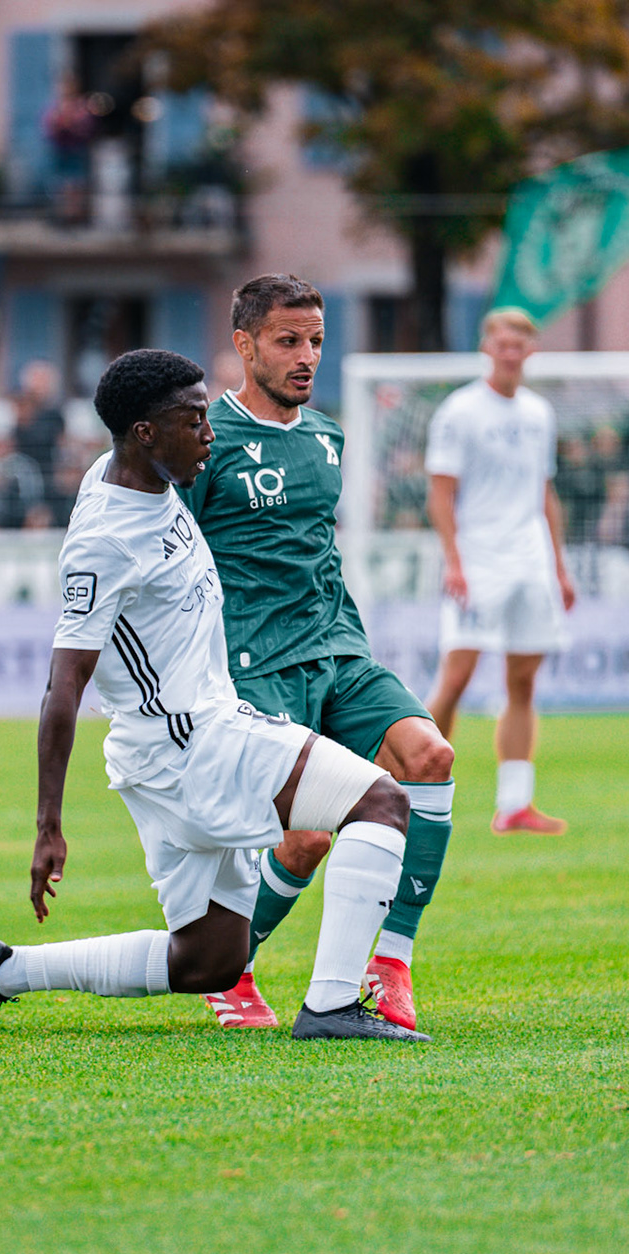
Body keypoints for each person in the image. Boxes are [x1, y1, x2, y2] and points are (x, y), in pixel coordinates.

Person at [0, 348, 428, 1043]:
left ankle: (3, 971)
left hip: (173, 749)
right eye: (194, 420)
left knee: (209, 959)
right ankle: (332, 1008)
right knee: (382, 801)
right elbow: (63, 685)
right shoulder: (107, 540)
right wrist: (48, 824)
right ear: (145, 433)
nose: (209, 433)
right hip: (192, 744)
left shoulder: (135, 472)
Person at [183, 274, 456, 1033]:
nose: (307, 357)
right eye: (288, 341)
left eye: (316, 342)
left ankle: (390, 963)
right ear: (245, 346)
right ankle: (230, 968)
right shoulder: (206, 441)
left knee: (430, 756)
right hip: (255, 662)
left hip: (338, 648)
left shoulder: (328, 436)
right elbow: (175, 558)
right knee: (304, 840)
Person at [420, 307, 577, 835]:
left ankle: (514, 804)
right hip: (479, 560)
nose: (511, 353)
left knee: (523, 681)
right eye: (502, 344)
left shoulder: (538, 413)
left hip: (530, 560)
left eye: (520, 345)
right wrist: (455, 562)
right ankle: (412, 787)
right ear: (486, 347)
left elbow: (544, 493)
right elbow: (440, 494)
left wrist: (559, 567)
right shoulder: (460, 411)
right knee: (456, 678)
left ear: (531, 351)